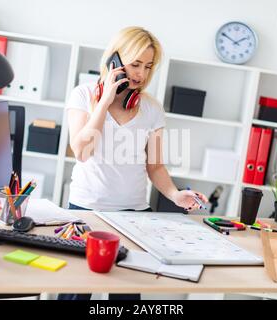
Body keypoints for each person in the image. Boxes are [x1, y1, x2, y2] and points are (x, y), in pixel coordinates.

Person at [62, 26, 208, 300]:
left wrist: (176, 194)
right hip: (87, 210)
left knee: (127, 295)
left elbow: (155, 167)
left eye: (148, 66)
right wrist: (104, 102)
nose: (141, 74)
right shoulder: (83, 96)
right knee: (76, 291)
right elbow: (81, 151)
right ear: (114, 61)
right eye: (135, 64)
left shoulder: (152, 109)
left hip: (134, 215)